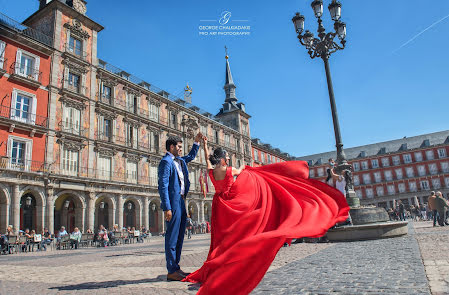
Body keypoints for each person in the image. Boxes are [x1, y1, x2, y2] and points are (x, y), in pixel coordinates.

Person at [182, 136, 349, 295]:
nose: (228, 158)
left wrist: (204, 146)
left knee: (219, 238)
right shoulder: (230, 169)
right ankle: (233, 260)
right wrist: (247, 169)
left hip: (219, 205)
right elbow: (240, 170)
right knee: (234, 234)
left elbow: (206, 158)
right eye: (226, 156)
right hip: (231, 202)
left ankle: (216, 266)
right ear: (223, 159)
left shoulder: (211, 171)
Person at [158, 133, 202, 281]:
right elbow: (162, 186)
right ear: (172, 147)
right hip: (173, 202)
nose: (181, 150)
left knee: (180, 236)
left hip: (182, 201)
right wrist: (167, 207)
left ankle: (176, 267)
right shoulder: (166, 162)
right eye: (179, 147)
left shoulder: (180, 161)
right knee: (172, 237)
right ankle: (171, 270)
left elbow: (190, 156)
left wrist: (196, 142)